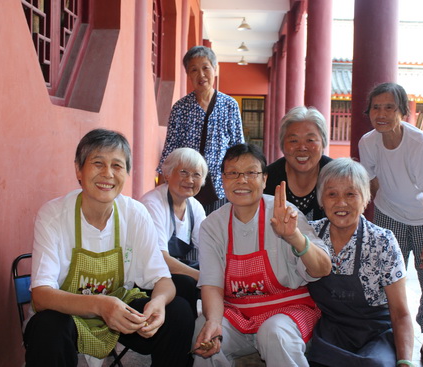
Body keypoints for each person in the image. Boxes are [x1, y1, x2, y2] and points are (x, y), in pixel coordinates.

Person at [24, 129, 194, 367]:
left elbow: (163, 280)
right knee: (47, 326)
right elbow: (41, 296)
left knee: (178, 311)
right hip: (69, 316)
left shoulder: (135, 213)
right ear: (78, 169)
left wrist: (157, 305)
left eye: (117, 165)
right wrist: (100, 305)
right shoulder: (53, 215)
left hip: (120, 312)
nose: (108, 174)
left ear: (126, 173)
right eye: (97, 163)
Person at [191, 143, 332, 367]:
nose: (242, 180)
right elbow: (211, 285)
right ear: (223, 179)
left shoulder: (284, 212)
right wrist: (214, 322)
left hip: (289, 313)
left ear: (265, 179)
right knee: (204, 328)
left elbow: (323, 268)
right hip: (238, 315)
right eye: (233, 173)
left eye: (251, 173)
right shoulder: (212, 226)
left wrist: (294, 236)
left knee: (273, 331)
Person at [358, 82, 423, 367]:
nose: (381, 113)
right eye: (376, 107)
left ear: (403, 111)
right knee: (387, 277)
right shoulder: (368, 141)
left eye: (389, 107)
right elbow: (371, 181)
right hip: (389, 213)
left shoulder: (420, 143)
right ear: (369, 111)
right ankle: (389, 331)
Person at [307, 158, 414, 367]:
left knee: (375, 364)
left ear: (366, 198)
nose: (341, 203)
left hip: (376, 332)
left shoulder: (383, 241)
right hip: (330, 330)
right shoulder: (309, 235)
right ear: (321, 200)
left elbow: (400, 312)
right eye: (332, 194)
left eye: (350, 194)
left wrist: (405, 363)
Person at [157, 45, 244, 214]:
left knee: (216, 232)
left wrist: (238, 180)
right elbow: (170, 149)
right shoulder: (180, 108)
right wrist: (162, 186)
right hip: (186, 183)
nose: (201, 75)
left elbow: (237, 147)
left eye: (206, 68)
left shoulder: (229, 105)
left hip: (219, 185)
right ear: (188, 75)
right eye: (194, 70)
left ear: (215, 69)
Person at [141, 147, 208, 318]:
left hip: (171, 269)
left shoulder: (195, 207)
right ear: (168, 174)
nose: (190, 180)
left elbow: (209, 248)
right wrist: (201, 277)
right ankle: (189, 331)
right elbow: (159, 258)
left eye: (197, 175)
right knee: (187, 281)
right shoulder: (152, 204)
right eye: (184, 172)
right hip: (147, 273)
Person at [265, 106, 332, 220]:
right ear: (282, 145)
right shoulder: (267, 179)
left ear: (323, 143)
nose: (302, 148)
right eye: (293, 141)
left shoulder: (336, 176)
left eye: (310, 140)